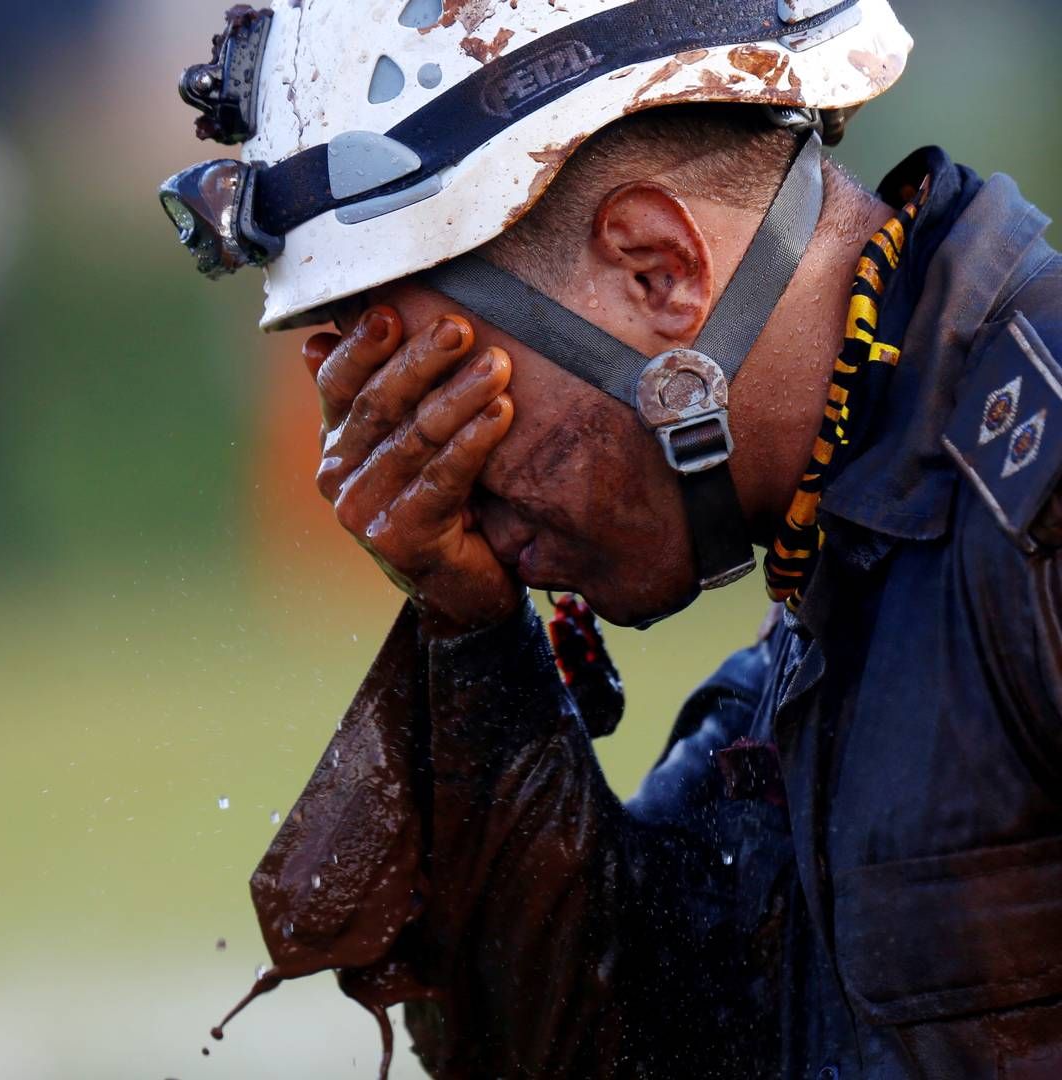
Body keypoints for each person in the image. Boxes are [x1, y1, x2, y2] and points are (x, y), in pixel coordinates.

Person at [160, 2, 1062, 1076]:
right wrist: (472, 637)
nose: (444, 497)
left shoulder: (1033, 494)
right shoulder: (839, 592)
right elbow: (617, 1048)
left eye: (444, 391)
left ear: (657, 269)